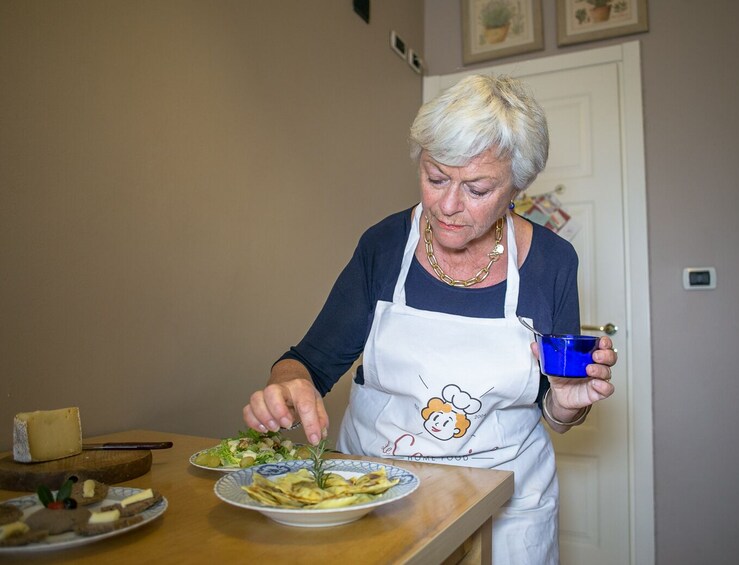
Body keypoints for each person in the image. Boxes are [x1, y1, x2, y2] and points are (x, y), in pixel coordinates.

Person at [243, 74, 617, 564]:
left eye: (477, 189)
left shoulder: (553, 262)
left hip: (508, 501)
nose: (446, 206)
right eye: (436, 177)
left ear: (517, 186)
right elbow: (306, 364)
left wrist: (567, 406)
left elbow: (558, 408)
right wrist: (285, 387)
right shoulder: (382, 245)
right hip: (376, 489)